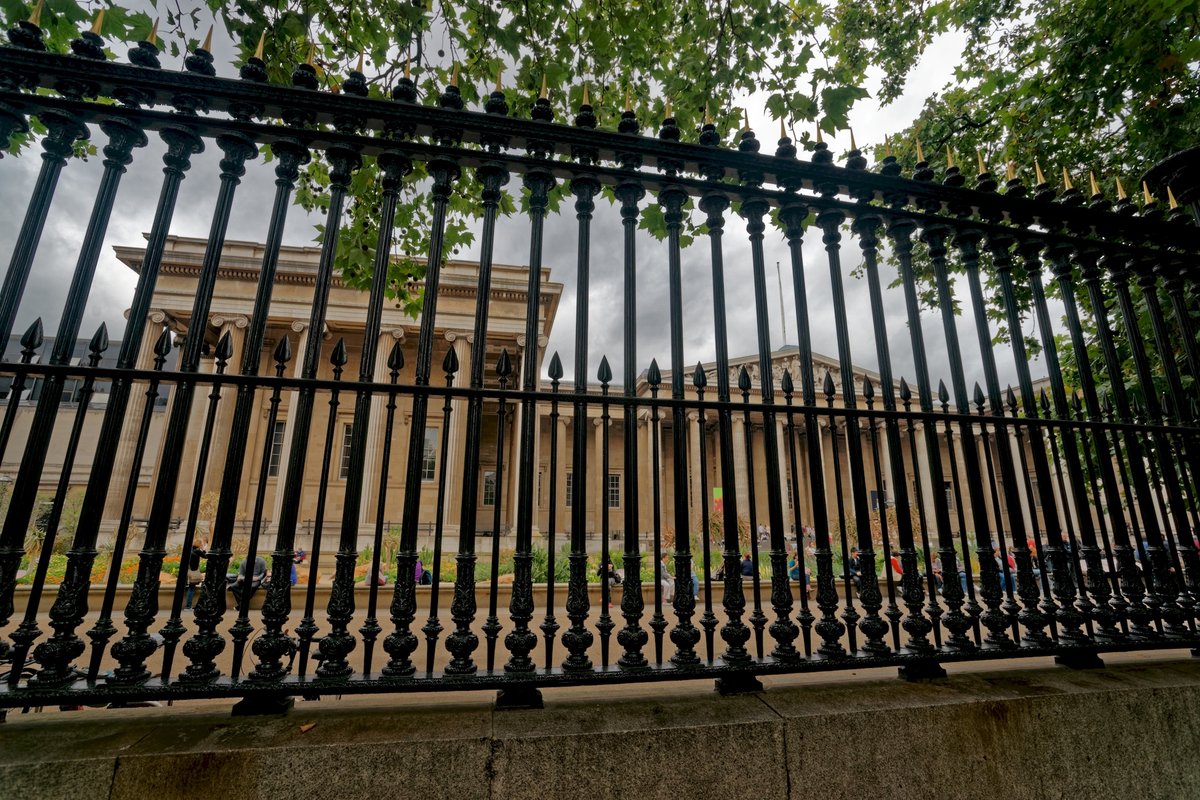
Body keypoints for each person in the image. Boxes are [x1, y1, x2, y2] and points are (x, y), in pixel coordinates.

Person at [185, 539, 208, 611]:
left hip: (189, 571)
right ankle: (188, 606)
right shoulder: (197, 551)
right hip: (193, 571)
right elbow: (205, 556)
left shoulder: (191, 550)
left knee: (191, 588)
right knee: (191, 588)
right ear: (199, 545)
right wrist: (203, 549)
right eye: (201, 544)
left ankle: (188, 606)